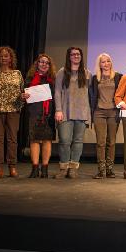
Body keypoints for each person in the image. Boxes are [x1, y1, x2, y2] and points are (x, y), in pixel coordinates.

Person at [54, 47, 92, 179]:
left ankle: (73, 168)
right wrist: (58, 110)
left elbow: (89, 95)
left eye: (78, 54)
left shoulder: (87, 74)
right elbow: (57, 92)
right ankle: (63, 167)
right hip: (65, 111)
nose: (76, 56)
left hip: (81, 112)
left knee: (78, 141)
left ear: (81, 57)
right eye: (73, 54)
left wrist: (89, 114)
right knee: (64, 140)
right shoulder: (62, 72)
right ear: (69, 57)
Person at [0, 46, 24, 178]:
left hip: (13, 110)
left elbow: (21, 92)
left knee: (12, 139)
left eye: (6, 56)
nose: (4, 58)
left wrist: (23, 97)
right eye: (1, 56)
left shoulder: (17, 73)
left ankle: (12, 167)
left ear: (10, 58)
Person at [22, 54, 56, 178]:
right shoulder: (29, 79)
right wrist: (23, 96)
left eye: (47, 63)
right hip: (33, 113)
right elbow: (24, 95)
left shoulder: (53, 80)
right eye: (42, 62)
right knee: (34, 140)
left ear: (49, 66)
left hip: (49, 114)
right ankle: (35, 168)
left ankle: (45, 169)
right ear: (37, 63)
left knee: (47, 140)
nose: (44, 64)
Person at [89, 53, 123, 179]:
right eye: (103, 62)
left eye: (108, 61)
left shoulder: (118, 77)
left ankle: (109, 169)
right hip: (99, 112)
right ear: (100, 64)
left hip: (113, 111)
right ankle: (101, 169)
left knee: (112, 142)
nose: (106, 64)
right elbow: (91, 95)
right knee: (101, 142)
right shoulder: (94, 78)